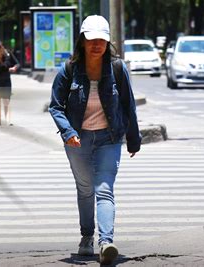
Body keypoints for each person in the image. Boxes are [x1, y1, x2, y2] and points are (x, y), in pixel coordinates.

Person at [48, 15, 141, 265]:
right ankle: (87, 237)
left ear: (107, 42)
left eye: (101, 40)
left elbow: (128, 106)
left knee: (104, 189)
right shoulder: (68, 69)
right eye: (92, 40)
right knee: (86, 190)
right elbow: (55, 106)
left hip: (109, 138)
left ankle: (106, 242)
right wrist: (68, 132)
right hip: (78, 139)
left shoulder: (118, 68)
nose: (97, 45)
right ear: (82, 41)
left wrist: (134, 140)